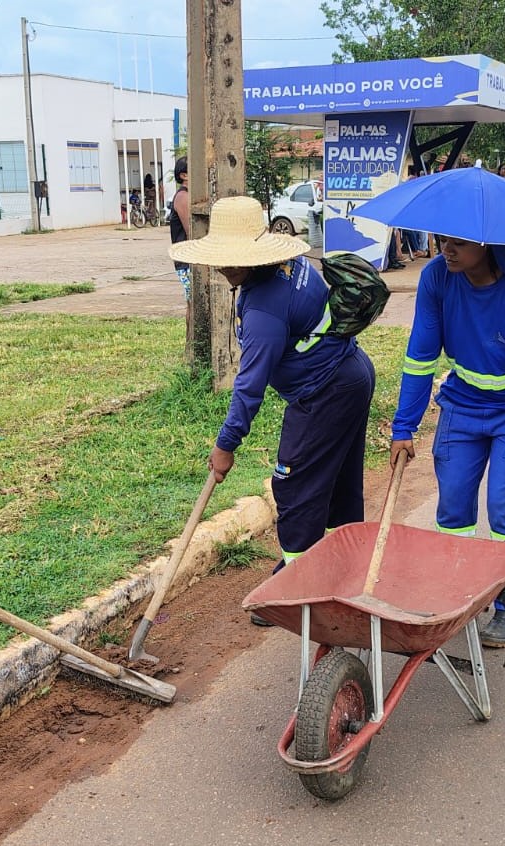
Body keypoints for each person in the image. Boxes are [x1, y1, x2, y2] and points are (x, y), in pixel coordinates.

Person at [169, 196, 376, 622]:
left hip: (325, 393)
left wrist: (226, 443)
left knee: (294, 485)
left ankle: (299, 588)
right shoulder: (288, 266)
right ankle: (339, 570)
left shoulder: (263, 305)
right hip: (351, 375)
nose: (223, 266)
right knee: (337, 483)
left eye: (230, 258)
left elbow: (250, 385)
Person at [388, 235, 505, 649]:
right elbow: (421, 357)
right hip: (462, 404)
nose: (445, 249)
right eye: (440, 239)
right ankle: (458, 596)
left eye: (458, 243)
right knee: (452, 509)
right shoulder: (437, 279)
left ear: (486, 242)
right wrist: (403, 426)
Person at [168, 157, 193, 307]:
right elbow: (191, 230)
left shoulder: (187, 195)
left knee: (193, 303)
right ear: (184, 175)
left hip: (187, 258)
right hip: (185, 260)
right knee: (194, 303)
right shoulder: (183, 196)